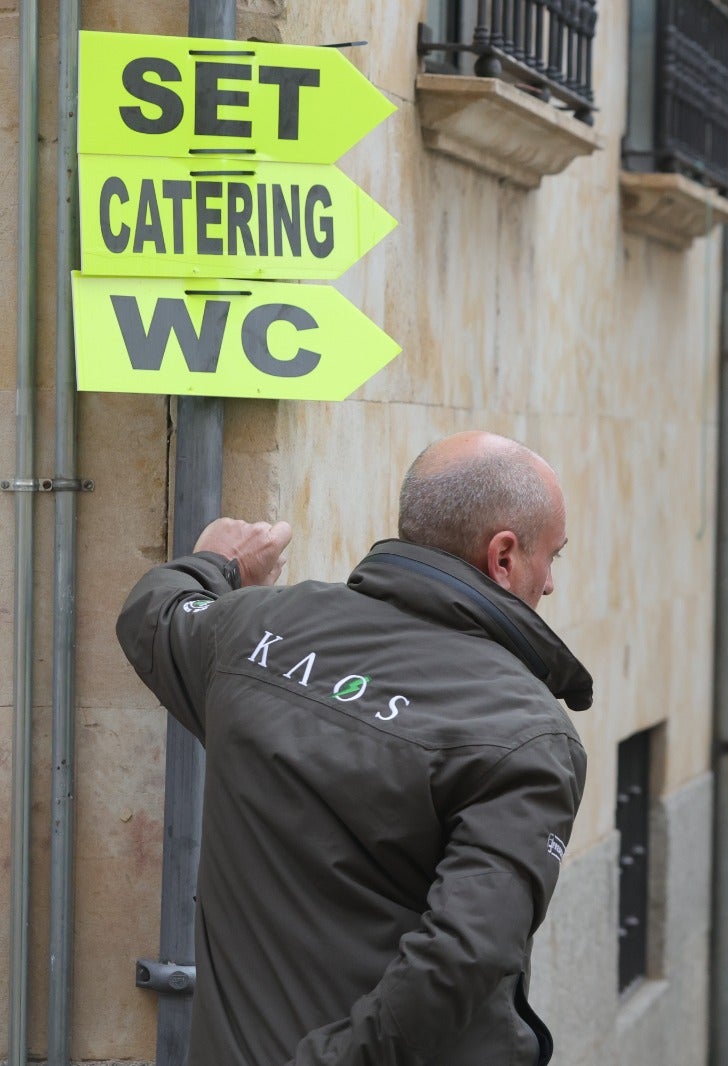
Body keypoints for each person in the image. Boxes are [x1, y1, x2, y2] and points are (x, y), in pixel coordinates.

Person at [117, 431, 592, 1066]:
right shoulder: (525, 731)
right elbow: (462, 958)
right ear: (502, 556)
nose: (552, 583)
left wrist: (219, 565)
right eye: (551, 557)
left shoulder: (252, 631)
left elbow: (156, 608)